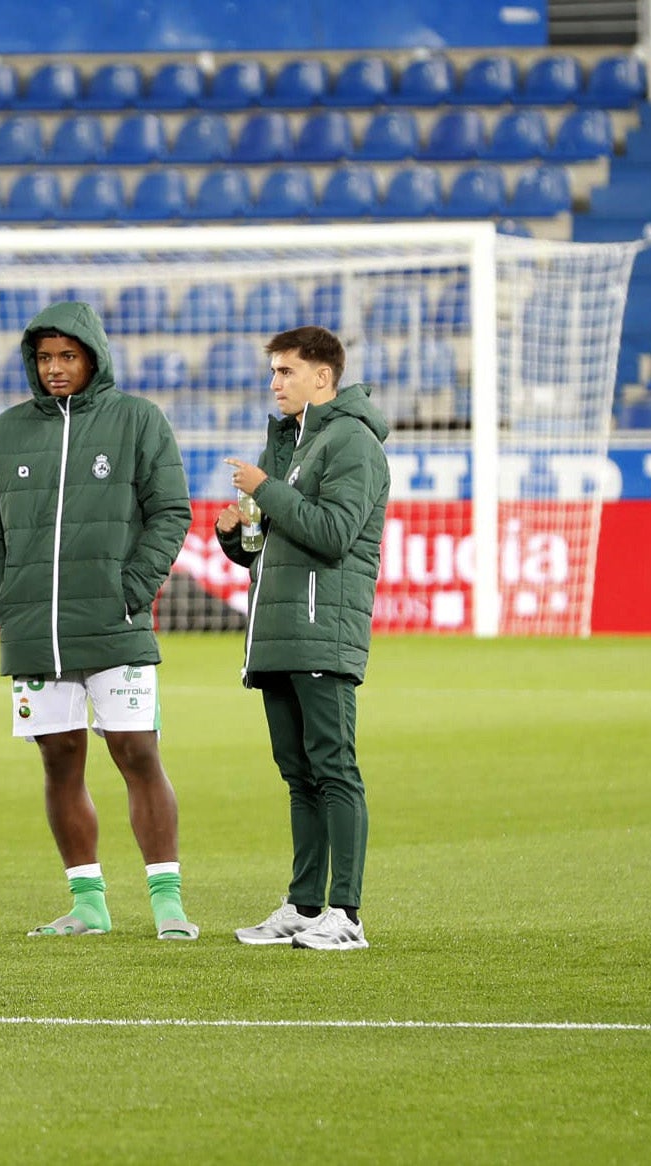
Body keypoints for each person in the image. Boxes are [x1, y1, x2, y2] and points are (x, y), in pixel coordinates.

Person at [0, 301, 197, 942]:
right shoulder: (7, 431)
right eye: (44, 358)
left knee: (136, 752)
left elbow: (170, 510)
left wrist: (132, 588)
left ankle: (167, 900)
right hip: (34, 629)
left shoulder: (137, 420)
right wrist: (0, 595)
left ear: (93, 356)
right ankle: (88, 901)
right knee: (60, 760)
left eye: (67, 356)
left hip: (115, 625)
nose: (55, 369)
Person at [222, 325, 389, 952]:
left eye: (285, 371)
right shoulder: (298, 444)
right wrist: (237, 534)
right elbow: (275, 547)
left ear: (324, 376)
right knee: (298, 774)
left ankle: (346, 915)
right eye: (272, 372)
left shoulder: (351, 442)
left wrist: (264, 490)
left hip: (324, 631)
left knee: (334, 768)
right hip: (281, 630)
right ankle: (303, 905)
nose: (274, 383)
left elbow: (334, 533)